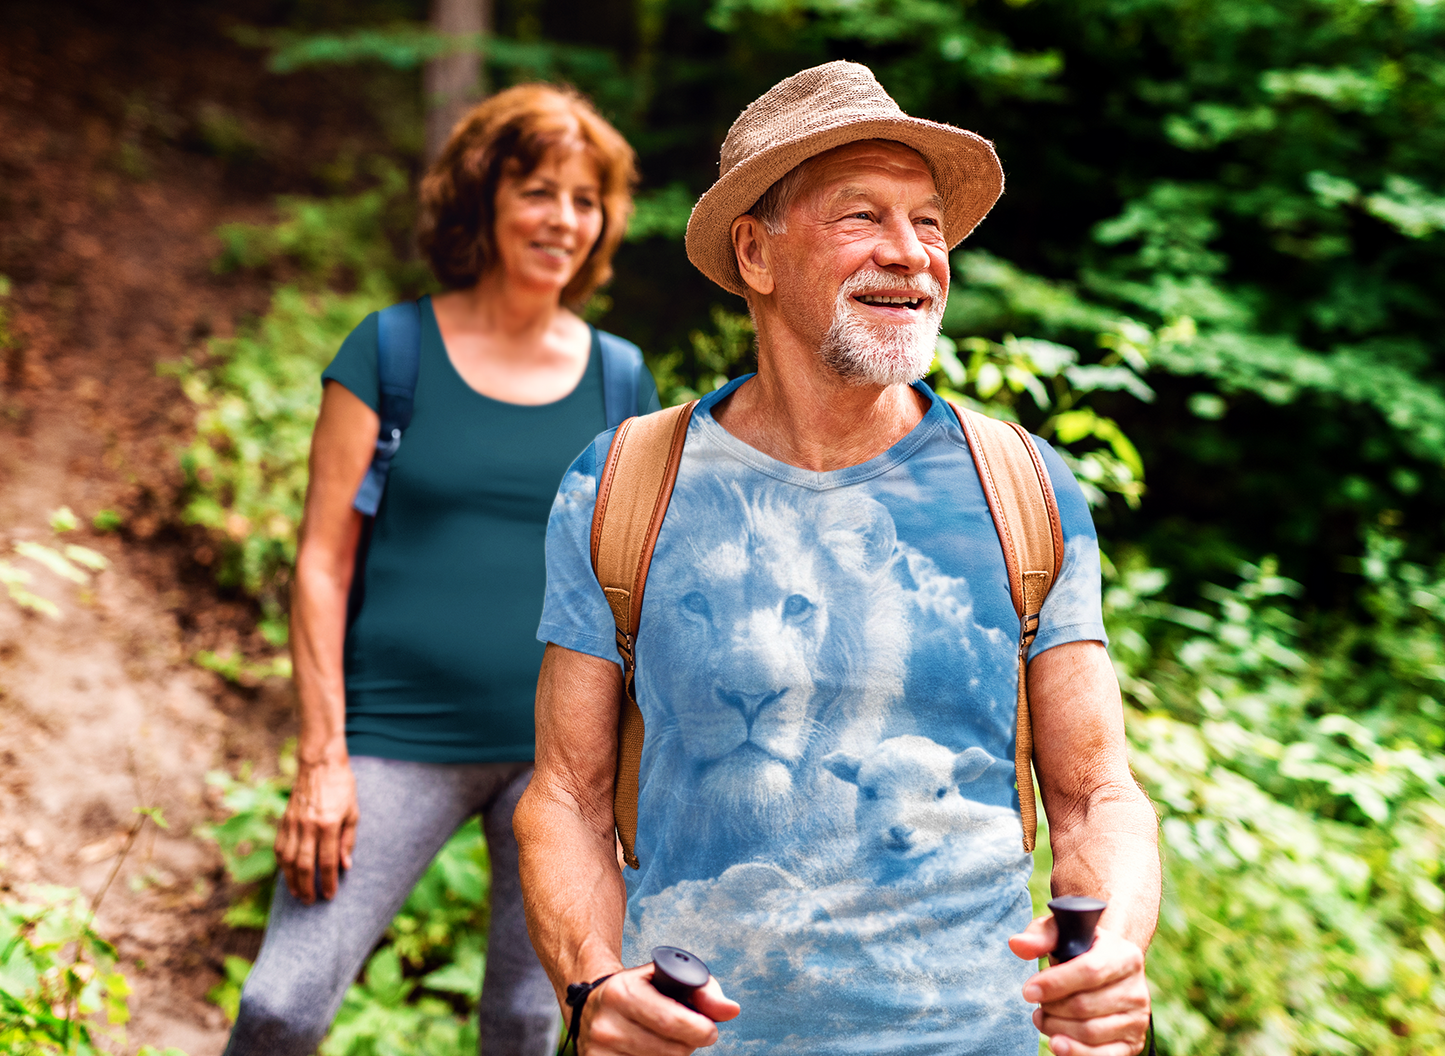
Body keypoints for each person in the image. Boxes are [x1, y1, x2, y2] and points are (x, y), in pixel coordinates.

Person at [514, 61, 1161, 1055]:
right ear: (755, 254)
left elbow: (1094, 794)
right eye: (861, 217)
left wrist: (1110, 946)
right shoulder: (619, 485)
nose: (910, 256)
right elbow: (563, 795)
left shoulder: (1022, 486)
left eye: (929, 224)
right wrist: (592, 984)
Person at [223, 84, 659, 1056]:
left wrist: (633, 781)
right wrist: (320, 758)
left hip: (560, 761)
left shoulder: (622, 381)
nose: (562, 220)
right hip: (392, 738)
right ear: (482, 197)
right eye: (537, 190)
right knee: (280, 1005)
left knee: (525, 1025)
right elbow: (321, 564)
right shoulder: (390, 351)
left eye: (584, 200)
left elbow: (635, 588)